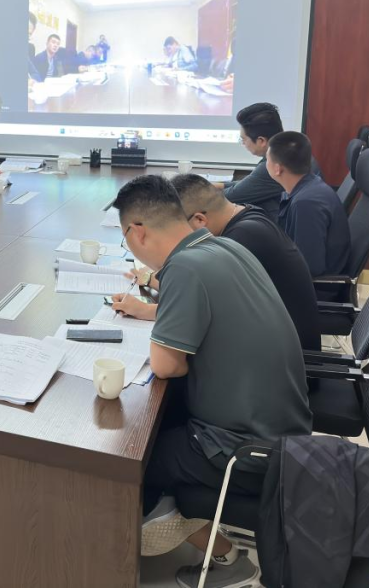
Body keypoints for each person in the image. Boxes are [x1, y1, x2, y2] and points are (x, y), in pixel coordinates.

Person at [114, 176, 310, 588]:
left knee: (131, 458)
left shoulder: (182, 268)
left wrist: (181, 358)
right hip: (283, 428)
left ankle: (226, 558)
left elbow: (166, 366)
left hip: (248, 449)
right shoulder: (224, 246)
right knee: (162, 418)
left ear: (138, 232)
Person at [169, 174, 321, 351]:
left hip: (287, 357)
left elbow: (199, 306)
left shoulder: (241, 238)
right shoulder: (246, 214)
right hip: (272, 340)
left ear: (199, 220)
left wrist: (147, 296)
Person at [268, 131, 352, 278]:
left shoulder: (306, 204)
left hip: (314, 287)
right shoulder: (308, 186)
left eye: (267, 159)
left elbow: (309, 268)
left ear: (277, 168)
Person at [219, 102, 295, 221]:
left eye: (243, 139)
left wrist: (198, 193)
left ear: (261, 141)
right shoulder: (289, 149)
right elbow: (251, 183)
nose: (243, 143)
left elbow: (230, 196)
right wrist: (219, 185)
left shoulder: (275, 165)